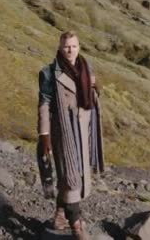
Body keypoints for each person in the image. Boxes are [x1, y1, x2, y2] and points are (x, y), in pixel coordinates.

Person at [37, 30, 104, 240]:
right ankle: (77, 227)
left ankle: (59, 216)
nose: (70, 50)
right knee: (71, 177)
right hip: (63, 131)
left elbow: (89, 96)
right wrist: (44, 136)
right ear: (59, 47)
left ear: (79, 47)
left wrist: (95, 88)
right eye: (66, 46)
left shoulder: (85, 68)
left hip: (84, 131)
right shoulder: (49, 73)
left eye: (74, 46)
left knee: (74, 174)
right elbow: (44, 105)